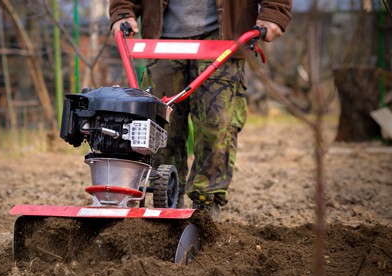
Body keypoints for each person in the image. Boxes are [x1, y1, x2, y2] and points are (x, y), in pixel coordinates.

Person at [109, 1, 292, 219]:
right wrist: (122, 11)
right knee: (159, 125)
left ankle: (206, 206)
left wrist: (274, 12)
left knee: (216, 123)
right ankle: (166, 196)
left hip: (223, 36)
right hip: (162, 36)